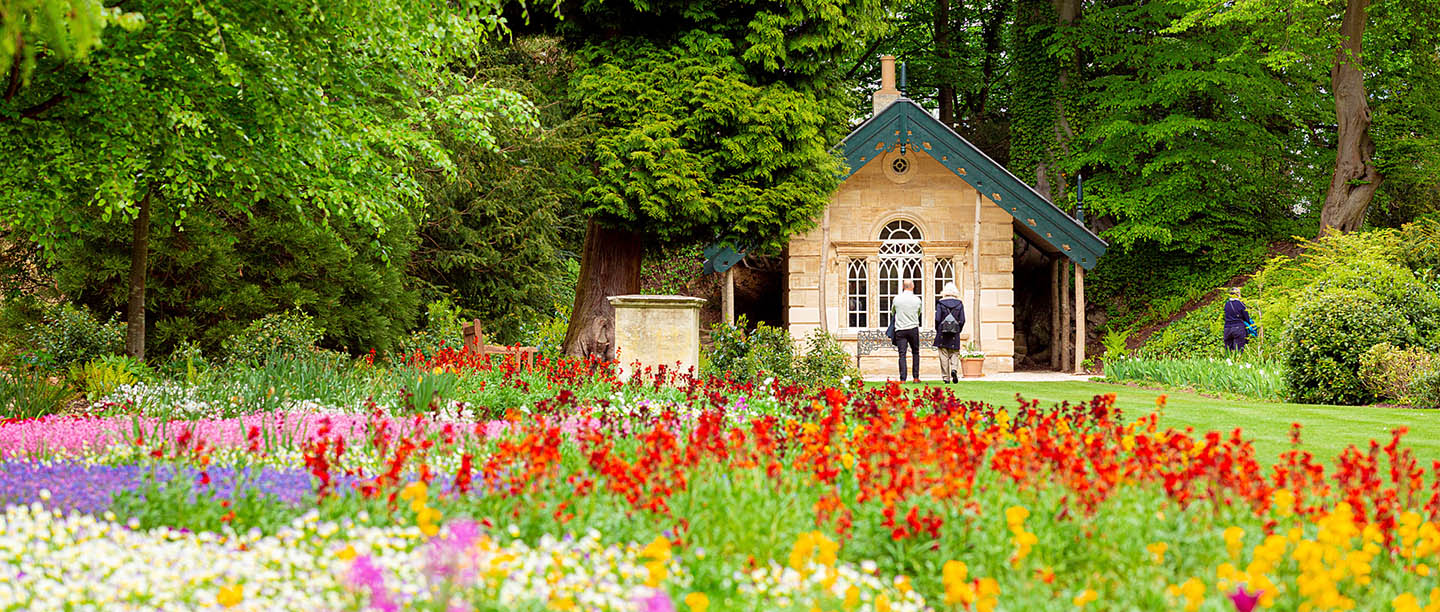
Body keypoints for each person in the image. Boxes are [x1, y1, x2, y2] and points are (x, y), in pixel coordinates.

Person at [933, 282, 966, 383]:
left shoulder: (940, 303)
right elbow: (962, 319)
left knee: (944, 356)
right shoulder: (959, 304)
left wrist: (937, 329)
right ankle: (954, 370)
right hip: (954, 333)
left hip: (942, 333)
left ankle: (946, 378)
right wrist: (958, 330)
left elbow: (937, 318)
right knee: (954, 353)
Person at [891, 280, 923, 381]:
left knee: (902, 354)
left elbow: (893, 312)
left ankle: (903, 378)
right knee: (915, 352)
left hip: (900, 328)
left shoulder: (897, 299)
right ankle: (916, 377)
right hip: (913, 328)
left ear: (903, 286)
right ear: (912, 286)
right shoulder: (917, 299)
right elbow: (919, 312)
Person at [1223, 287, 1254, 352]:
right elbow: (1246, 317)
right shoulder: (1240, 304)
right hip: (1238, 328)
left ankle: (1227, 361)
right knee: (1238, 350)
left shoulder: (1227, 304)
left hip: (1227, 328)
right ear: (1238, 294)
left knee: (1228, 351)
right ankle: (1237, 361)